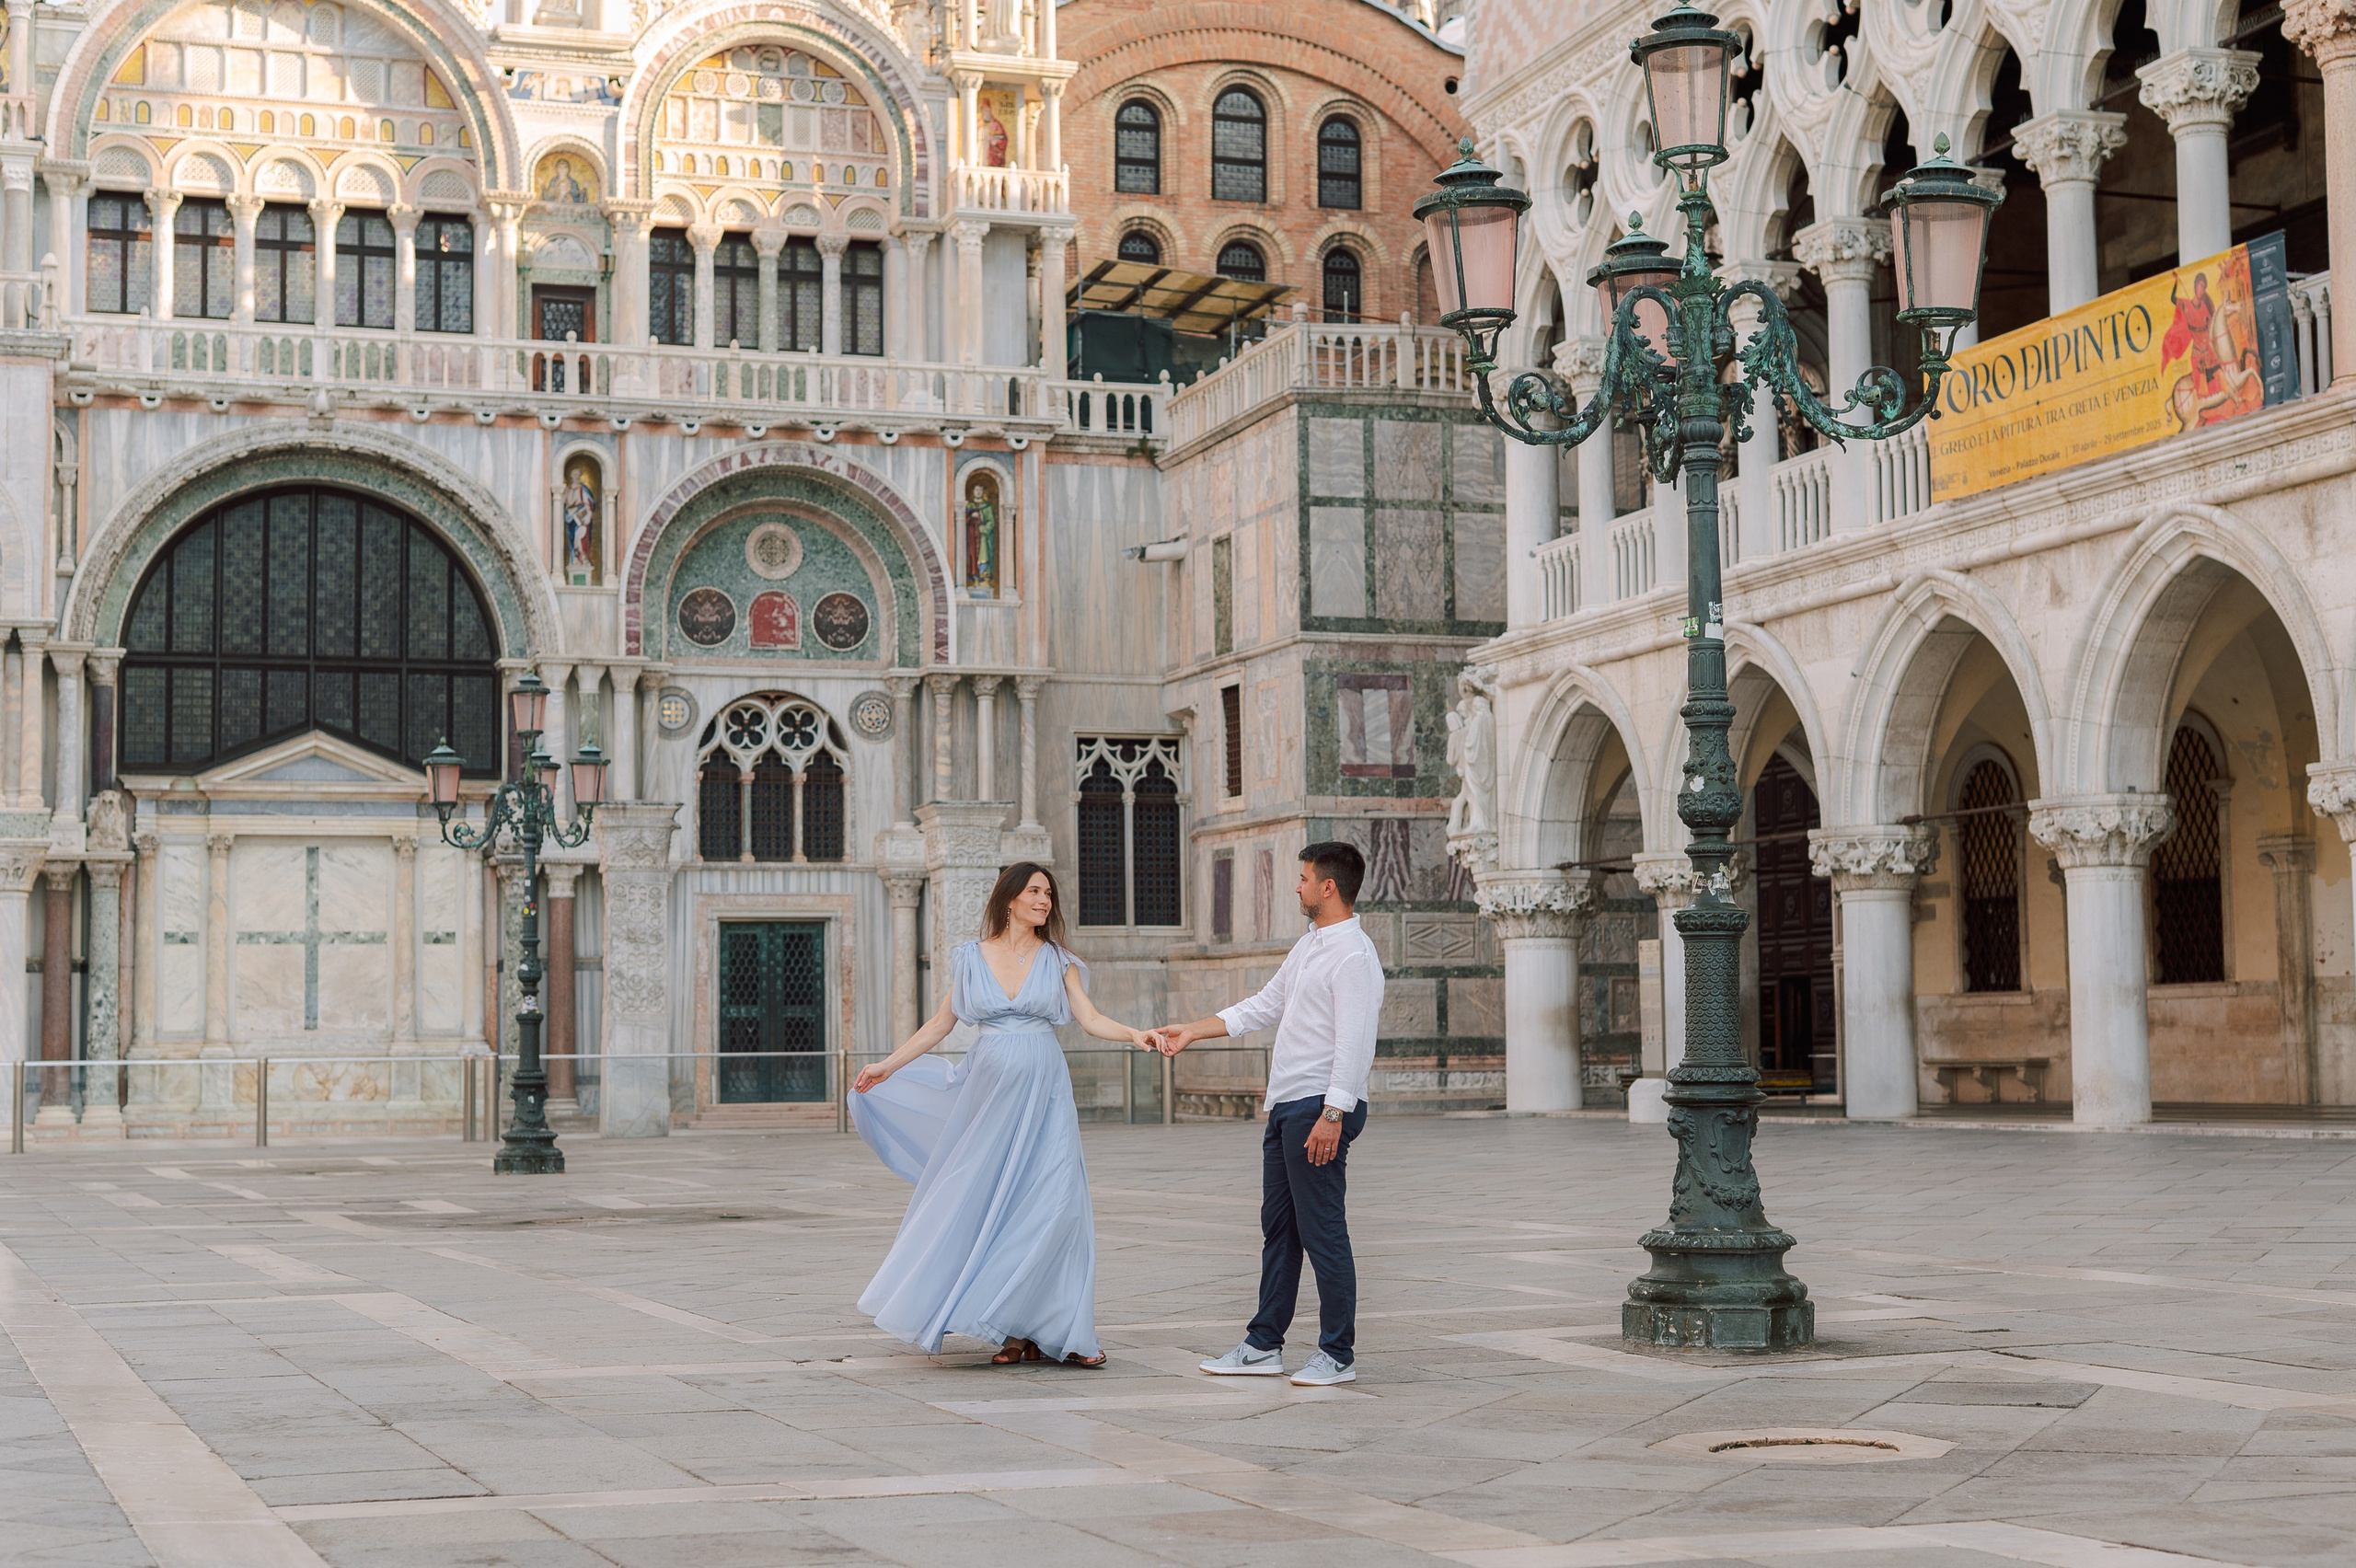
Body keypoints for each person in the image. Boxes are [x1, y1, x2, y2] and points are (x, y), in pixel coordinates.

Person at [851, 862, 1156, 1366]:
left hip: (1046, 1089)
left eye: (1049, 894)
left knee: (1056, 1203)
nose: (1044, 900)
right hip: (990, 1094)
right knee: (993, 1199)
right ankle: (1013, 1332)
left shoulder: (1060, 960)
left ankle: (1062, 1330)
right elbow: (939, 1024)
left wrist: (1135, 1035)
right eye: (1035, 891)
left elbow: (1090, 1017)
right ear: (1010, 898)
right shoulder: (971, 957)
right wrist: (886, 1066)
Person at [1150, 842, 1381, 1387]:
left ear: (1328, 887)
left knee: (1323, 1231)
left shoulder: (1354, 954)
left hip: (1318, 1107)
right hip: (1287, 1106)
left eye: (1303, 878)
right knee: (1279, 1230)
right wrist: (1193, 1030)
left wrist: (1334, 1112)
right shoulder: (1310, 947)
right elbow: (1263, 1004)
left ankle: (1337, 1354)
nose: (1296, 887)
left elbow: (1356, 1042)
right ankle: (1263, 1345)